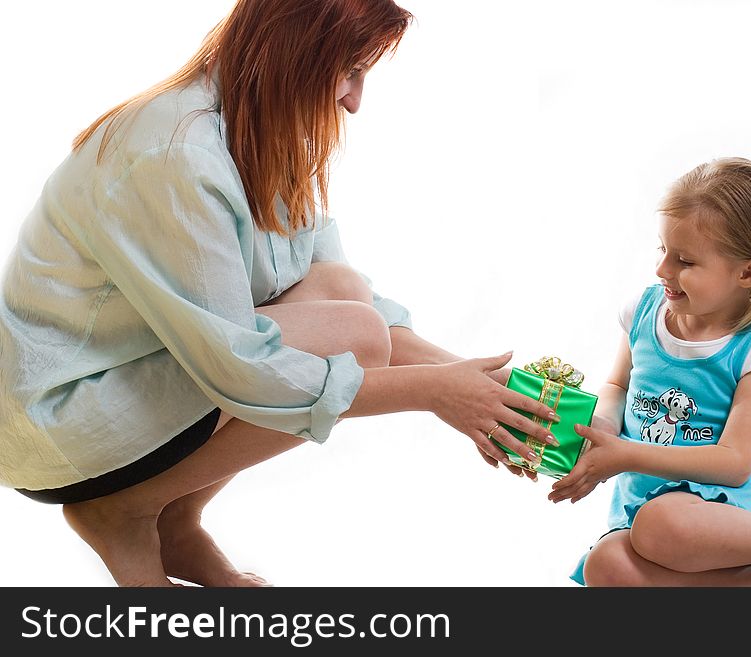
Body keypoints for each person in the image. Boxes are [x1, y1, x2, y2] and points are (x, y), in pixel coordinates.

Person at [0, 0, 556, 587]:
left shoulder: (266, 130)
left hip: (133, 374)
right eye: (350, 71)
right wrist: (437, 393)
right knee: (354, 336)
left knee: (344, 296)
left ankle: (176, 519)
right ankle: (124, 511)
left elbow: (345, 292)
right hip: (58, 413)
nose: (354, 100)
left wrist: (487, 391)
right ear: (296, 47)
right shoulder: (176, 153)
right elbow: (241, 368)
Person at [549, 157, 751, 587]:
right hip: (640, 507)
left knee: (661, 523)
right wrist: (605, 427)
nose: (662, 270)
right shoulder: (644, 313)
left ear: (749, 273)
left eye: (684, 260)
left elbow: (736, 463)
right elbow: (616, 384)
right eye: (662, 250)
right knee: (605, 562)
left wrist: (625, 454)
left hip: (720, 511)